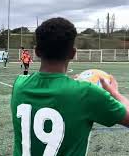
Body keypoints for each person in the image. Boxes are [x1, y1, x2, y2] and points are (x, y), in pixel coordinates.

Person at [11, 17, 129, 156]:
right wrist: (115, 93)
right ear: (73, 53)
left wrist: (69, 85)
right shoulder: (87, 93)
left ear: (36, 52)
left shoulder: (18, 85)